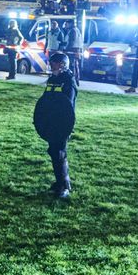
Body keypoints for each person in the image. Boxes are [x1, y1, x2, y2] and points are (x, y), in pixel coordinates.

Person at [40, 51, 76, 198]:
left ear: (62, 65)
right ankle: (59, 181)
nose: (51, 66)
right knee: (53, 151)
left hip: (62, 122)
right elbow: (46, 98)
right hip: (52, 120)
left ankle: (64, 186)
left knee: (59, 152)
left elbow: (68, 104)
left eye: (54, 64)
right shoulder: (52, 79)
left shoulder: (68, 81)